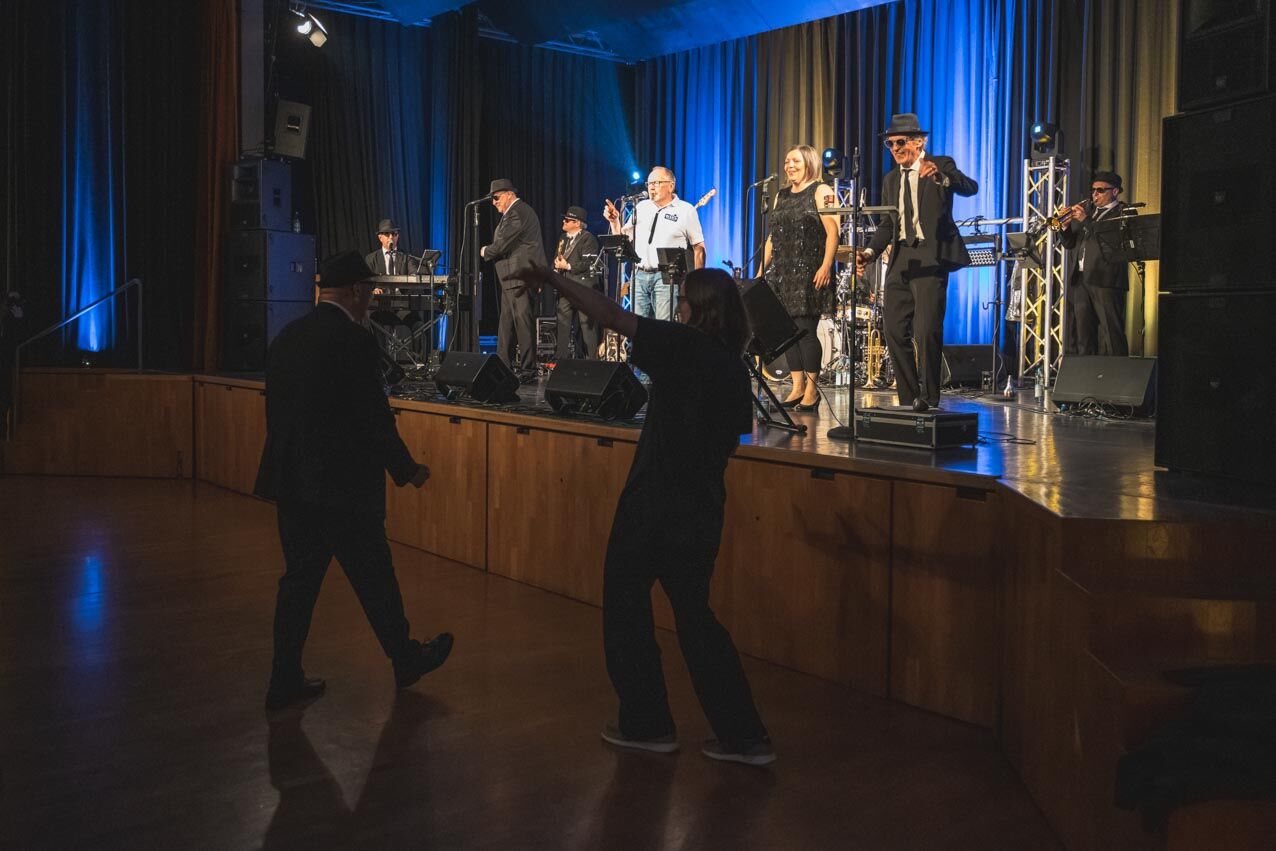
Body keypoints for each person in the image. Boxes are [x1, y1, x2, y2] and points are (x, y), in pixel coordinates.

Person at [510, 263, 775, 767]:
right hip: (702, 509)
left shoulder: (681, 344)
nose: (679, 308)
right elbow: (731, 442)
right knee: (695, 618)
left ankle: (647, 722)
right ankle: (744, 736)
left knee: (625, 604)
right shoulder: (733, 368)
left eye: (684, 301)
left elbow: (612, 315)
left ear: (697, 308)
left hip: (654, 503)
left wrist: (554, 279)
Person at [254, 251, 454, 712]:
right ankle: (405, 659)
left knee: (298, 584)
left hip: (294, 482)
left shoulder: (287, 336)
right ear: (355, 291)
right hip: (342, 487)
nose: (373, 299)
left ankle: (284, 678)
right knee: (375, 579)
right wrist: (407, 469)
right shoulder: (355, 341)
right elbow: (372, 419)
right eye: (369, 291)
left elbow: (278, 413)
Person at [856, 113, 979, 412]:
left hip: (930, 255)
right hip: (901, 258)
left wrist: (942, 178)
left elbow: (970, 187)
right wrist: (869, 253)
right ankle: (909, 399)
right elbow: (888, 224)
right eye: (890, 144)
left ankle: (929, 398)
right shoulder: (891, 179)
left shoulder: (940, 164)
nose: (895, 149)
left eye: (901, 142)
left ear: (919, 142)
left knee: (926, 331)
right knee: (894, 330)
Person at [761, 145, 840, 412]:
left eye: (795, 161)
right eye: (787, 161)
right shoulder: (781, 195)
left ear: (808, 163)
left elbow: (833, 232)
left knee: (805, 331)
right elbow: (773, 237)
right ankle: (797, 386)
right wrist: (761, 270)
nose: (789, 166)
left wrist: (826, 265)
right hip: (782, 273)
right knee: (787, 333)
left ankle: (812, 391)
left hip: (810, 271)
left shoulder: (821, 190)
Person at [603, 167, 705, 322]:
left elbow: (699, 247)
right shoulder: (641, 207)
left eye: (656, 183)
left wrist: (697, 282)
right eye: (649, 183)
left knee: (663, 328)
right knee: (637, 327)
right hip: (639, 275)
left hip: (666, 278)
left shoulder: (686, 210)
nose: (651, 187)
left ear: (671, 186)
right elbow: (623, 240)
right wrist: (614, 221)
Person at [1060, 171, 1132, 356]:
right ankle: (1087, 372)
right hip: (1081, 279)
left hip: (1106, 280)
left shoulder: (1123, 212)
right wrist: (1064, 226)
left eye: (1100, 190)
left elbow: (1110, 240)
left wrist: (1086, 220)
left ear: (1115, 191)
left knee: (1112, 332)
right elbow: (1069, 244)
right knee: (1083, 334)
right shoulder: (1090, 213)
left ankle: (1118, 371)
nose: (1095, 195)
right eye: (1093, 190)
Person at [481, 179, 546, 375]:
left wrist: (485, 251)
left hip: (520, 274)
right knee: (507, 322)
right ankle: (502, 365)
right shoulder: (515, 212)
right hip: (512, 276)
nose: (494, 202)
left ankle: (528, 368)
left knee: (522, 320)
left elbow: (502, 244)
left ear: (509, 194)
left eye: (496, 197)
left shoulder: (518, 212)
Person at [553, 205, 603, 360]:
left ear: (577, 223)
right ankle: (561, 359)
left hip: (583, 288)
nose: (564, 221)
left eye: (567, 220)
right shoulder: (563, 238)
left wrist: (568, 266)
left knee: (587, 325)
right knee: (562, 323)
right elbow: (558, 258)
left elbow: (589, 263)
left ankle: (592, 360)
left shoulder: (588, 238)